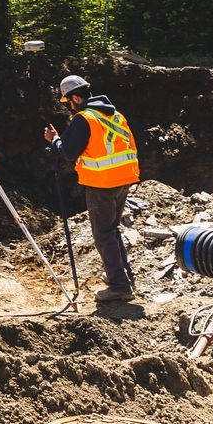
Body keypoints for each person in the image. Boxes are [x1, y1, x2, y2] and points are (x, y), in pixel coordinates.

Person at [45, 74, 140, 303]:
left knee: (104, 234)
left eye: (68, 103)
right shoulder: (115, 115)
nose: (69, 108)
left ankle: (119, 286)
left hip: (102, 183)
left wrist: (54, 140)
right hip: (124, 178)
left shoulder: (84, 119)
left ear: (76, 98)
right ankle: (124, 278)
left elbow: (68, 152)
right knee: (112, 230)